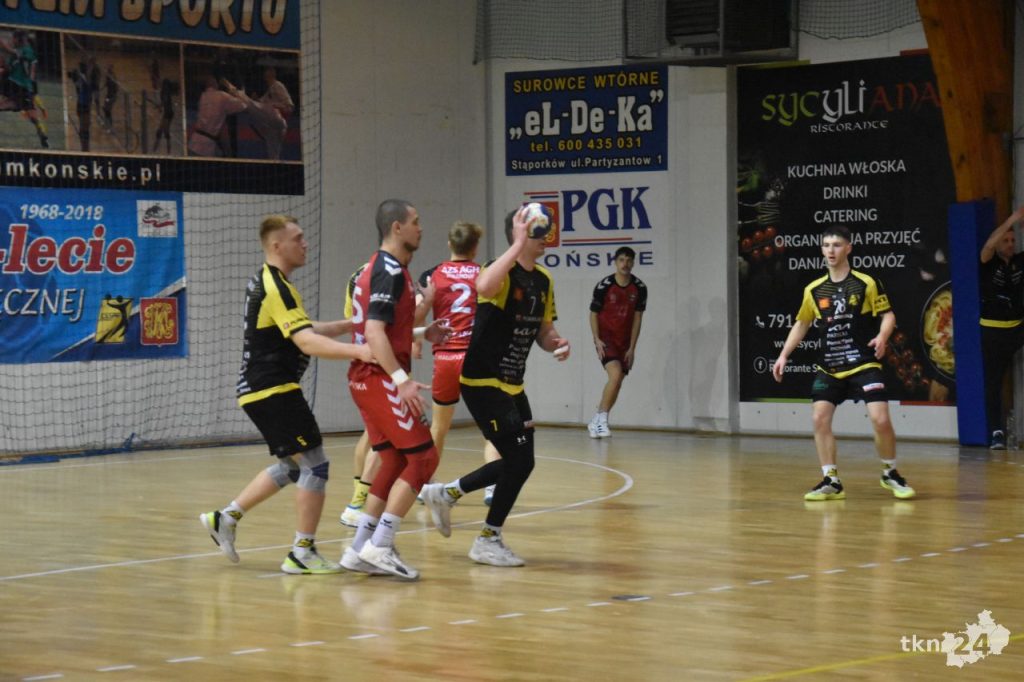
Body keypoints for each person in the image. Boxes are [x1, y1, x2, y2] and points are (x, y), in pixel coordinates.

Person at [199, 214, 374, 574]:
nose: (305, 244)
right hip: (272, 389)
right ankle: (301, 553)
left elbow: (303, 328)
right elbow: (306, 341)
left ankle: (225, 517)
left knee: (293, 467)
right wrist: (360, 351)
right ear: (277, 246)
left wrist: (349, 326)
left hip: (261, 390)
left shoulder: (273, 283)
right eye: (298, 238)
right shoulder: (275, 286)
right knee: (316, 465)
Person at [420, 206, 571, 567]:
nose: (545, 239)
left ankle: (447, 494)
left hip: (513, 384)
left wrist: (557, 343)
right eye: (537, 232)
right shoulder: (499, 272)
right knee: (517, 459)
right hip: (483, 380)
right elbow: (483, 286)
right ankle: (487, 538)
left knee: (523, 462)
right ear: (520, 235)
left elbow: (544, 331)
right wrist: (517, 244)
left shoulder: (544, 280)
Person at [343, 199, 450, 580]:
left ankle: (359, 549)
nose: (421, 228)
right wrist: (401, 381)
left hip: (366, 378)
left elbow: (384, 328)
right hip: (380, 378)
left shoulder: (384, 268)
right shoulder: (389, 271)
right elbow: (373, 333)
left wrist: (422, 332)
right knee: (423, 458)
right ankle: (381, 545)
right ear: (396, 228)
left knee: (392, 460)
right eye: (415, 221)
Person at [772, 225, 915, 501]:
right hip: (830, 366)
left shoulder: (866, 283)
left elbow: (888, 315)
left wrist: (882, 337)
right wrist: (783, 355)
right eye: (826, 245)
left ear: (848, 248)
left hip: (863, 362)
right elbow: (802, 323)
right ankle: (831, 480)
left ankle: (890, 473)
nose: (831, 250)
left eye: (836, 245)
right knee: (819, 418)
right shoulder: (814, 290)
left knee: (880, 419)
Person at [413, 221, 504, 505]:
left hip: (446, 358)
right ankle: (492, 487)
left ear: (450, 244)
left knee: (439, 428)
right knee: (492, 427)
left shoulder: (432, 275)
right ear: (475, 247)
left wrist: (417, 339)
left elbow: (415, 314)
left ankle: (424, 485)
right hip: (476, 358)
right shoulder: (483, 274)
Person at [586, 246, 647, 438]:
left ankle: (597, 420)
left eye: (629, 260)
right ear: (615, 262)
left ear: (633, 263)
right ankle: (602, 420)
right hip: (607, 339)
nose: (625, 264)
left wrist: (632, 348)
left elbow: (637, 318)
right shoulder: (604, 286)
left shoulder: (640, 288)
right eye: (621, 260)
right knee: (615, 375)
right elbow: (593, 314)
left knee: (618, 381)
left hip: (624, 342)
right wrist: (596, 339)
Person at [979, 206, 1024, 449]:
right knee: (994, 382)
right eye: (1006, 241)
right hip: (993, 331)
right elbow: (989, 245)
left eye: (1013, 240)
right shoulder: (988, 261)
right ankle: (997, 432)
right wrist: (1012, 220)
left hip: (1017, 328)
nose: (1010, 244)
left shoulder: (1019, 261)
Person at [1, 30, 49, 148]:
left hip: (20, 85)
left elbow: (9, 50)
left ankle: (41, 133)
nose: (12, 41)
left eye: (13, 38)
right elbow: (9, 68)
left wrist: (2, 43)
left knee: (21, 107)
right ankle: (41, 133)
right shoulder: (16, 55)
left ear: (19, 39)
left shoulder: (27, 50)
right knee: (24, 108)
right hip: (18, 86)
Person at [187, 74, 245, 157]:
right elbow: (242, 105)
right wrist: (232, 89)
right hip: (206, 147)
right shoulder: (222, 96)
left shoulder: (203, 96)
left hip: (194, 142)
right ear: (215, 83)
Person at [66, 61, 93, 152]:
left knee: (85, 127)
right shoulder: (81, 80)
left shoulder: (83, 79)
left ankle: (85, 146)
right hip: (83, 105)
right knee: (84, 127)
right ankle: (84, 147)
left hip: (84, 105)